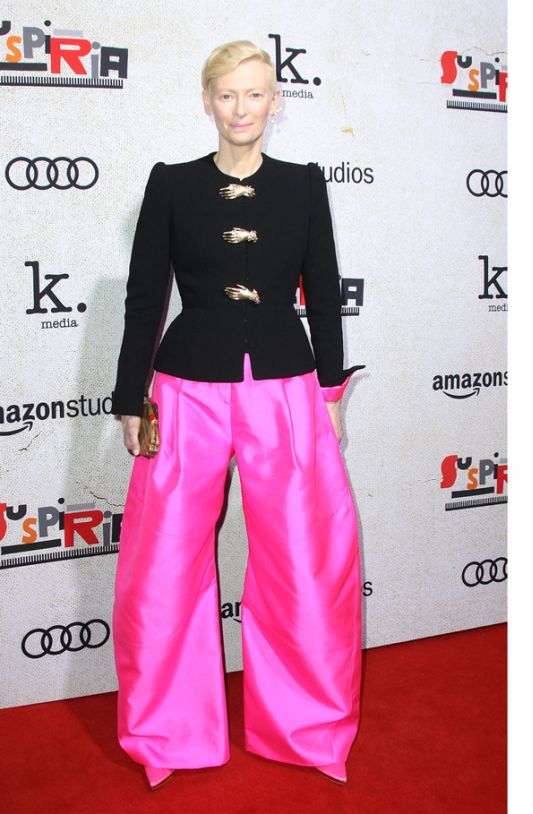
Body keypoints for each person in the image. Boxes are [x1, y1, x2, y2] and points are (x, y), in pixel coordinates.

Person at [109, 40, 363, 790]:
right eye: (227, 94)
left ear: (275, 102)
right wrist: (129, 398)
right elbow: (144, 296)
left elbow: (324, 290)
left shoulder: (304, 184)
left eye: (255, 94)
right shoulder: (171, 183)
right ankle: (166, 734)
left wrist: (330, 392)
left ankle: (309, 730)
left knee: (304, 560)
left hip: (284, 387)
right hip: (185, 388)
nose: (241, 108)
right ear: (207, 101)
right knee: (164, 563)